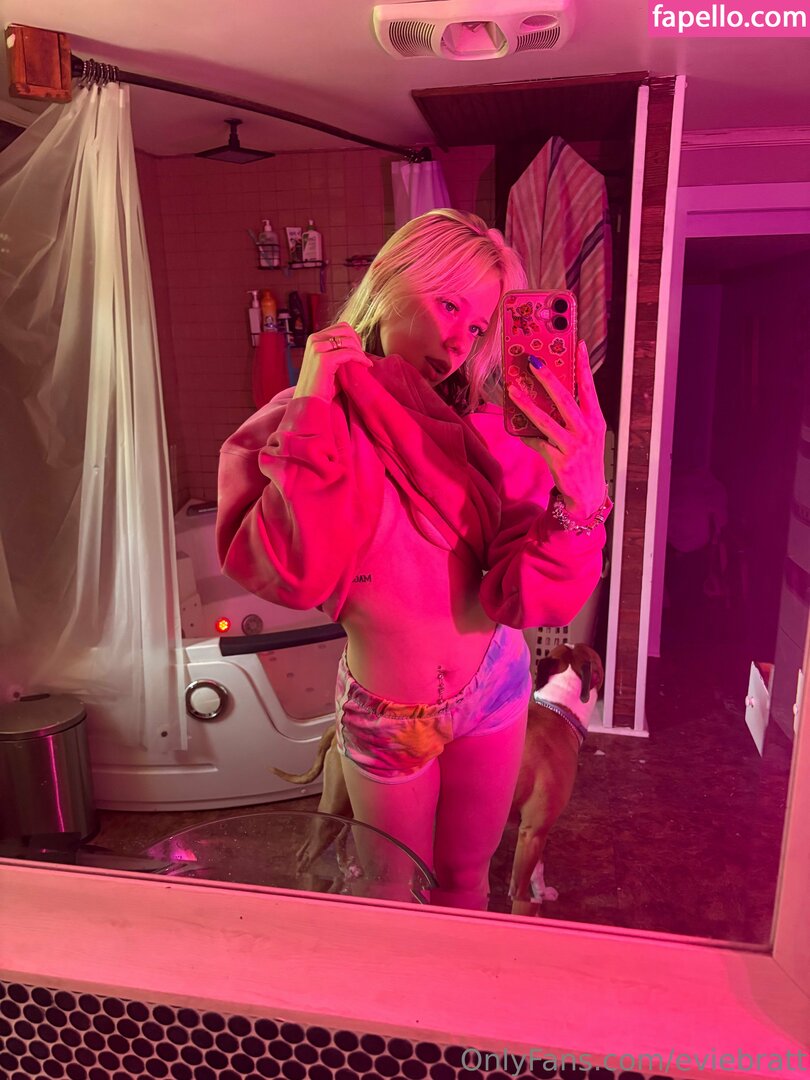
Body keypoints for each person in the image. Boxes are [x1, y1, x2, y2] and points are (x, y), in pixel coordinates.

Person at [216, 209, 611, 910]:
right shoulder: (308, 417)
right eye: (449, 304)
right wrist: (313, 399)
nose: (460, 341)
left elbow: (531, 599)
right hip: (390, 712)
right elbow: (292, 570)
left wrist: (582, 493)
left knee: (468, 884)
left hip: (495, 686)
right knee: (388, 892)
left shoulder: (482, 436)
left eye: (479, 327)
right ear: (388, 280)